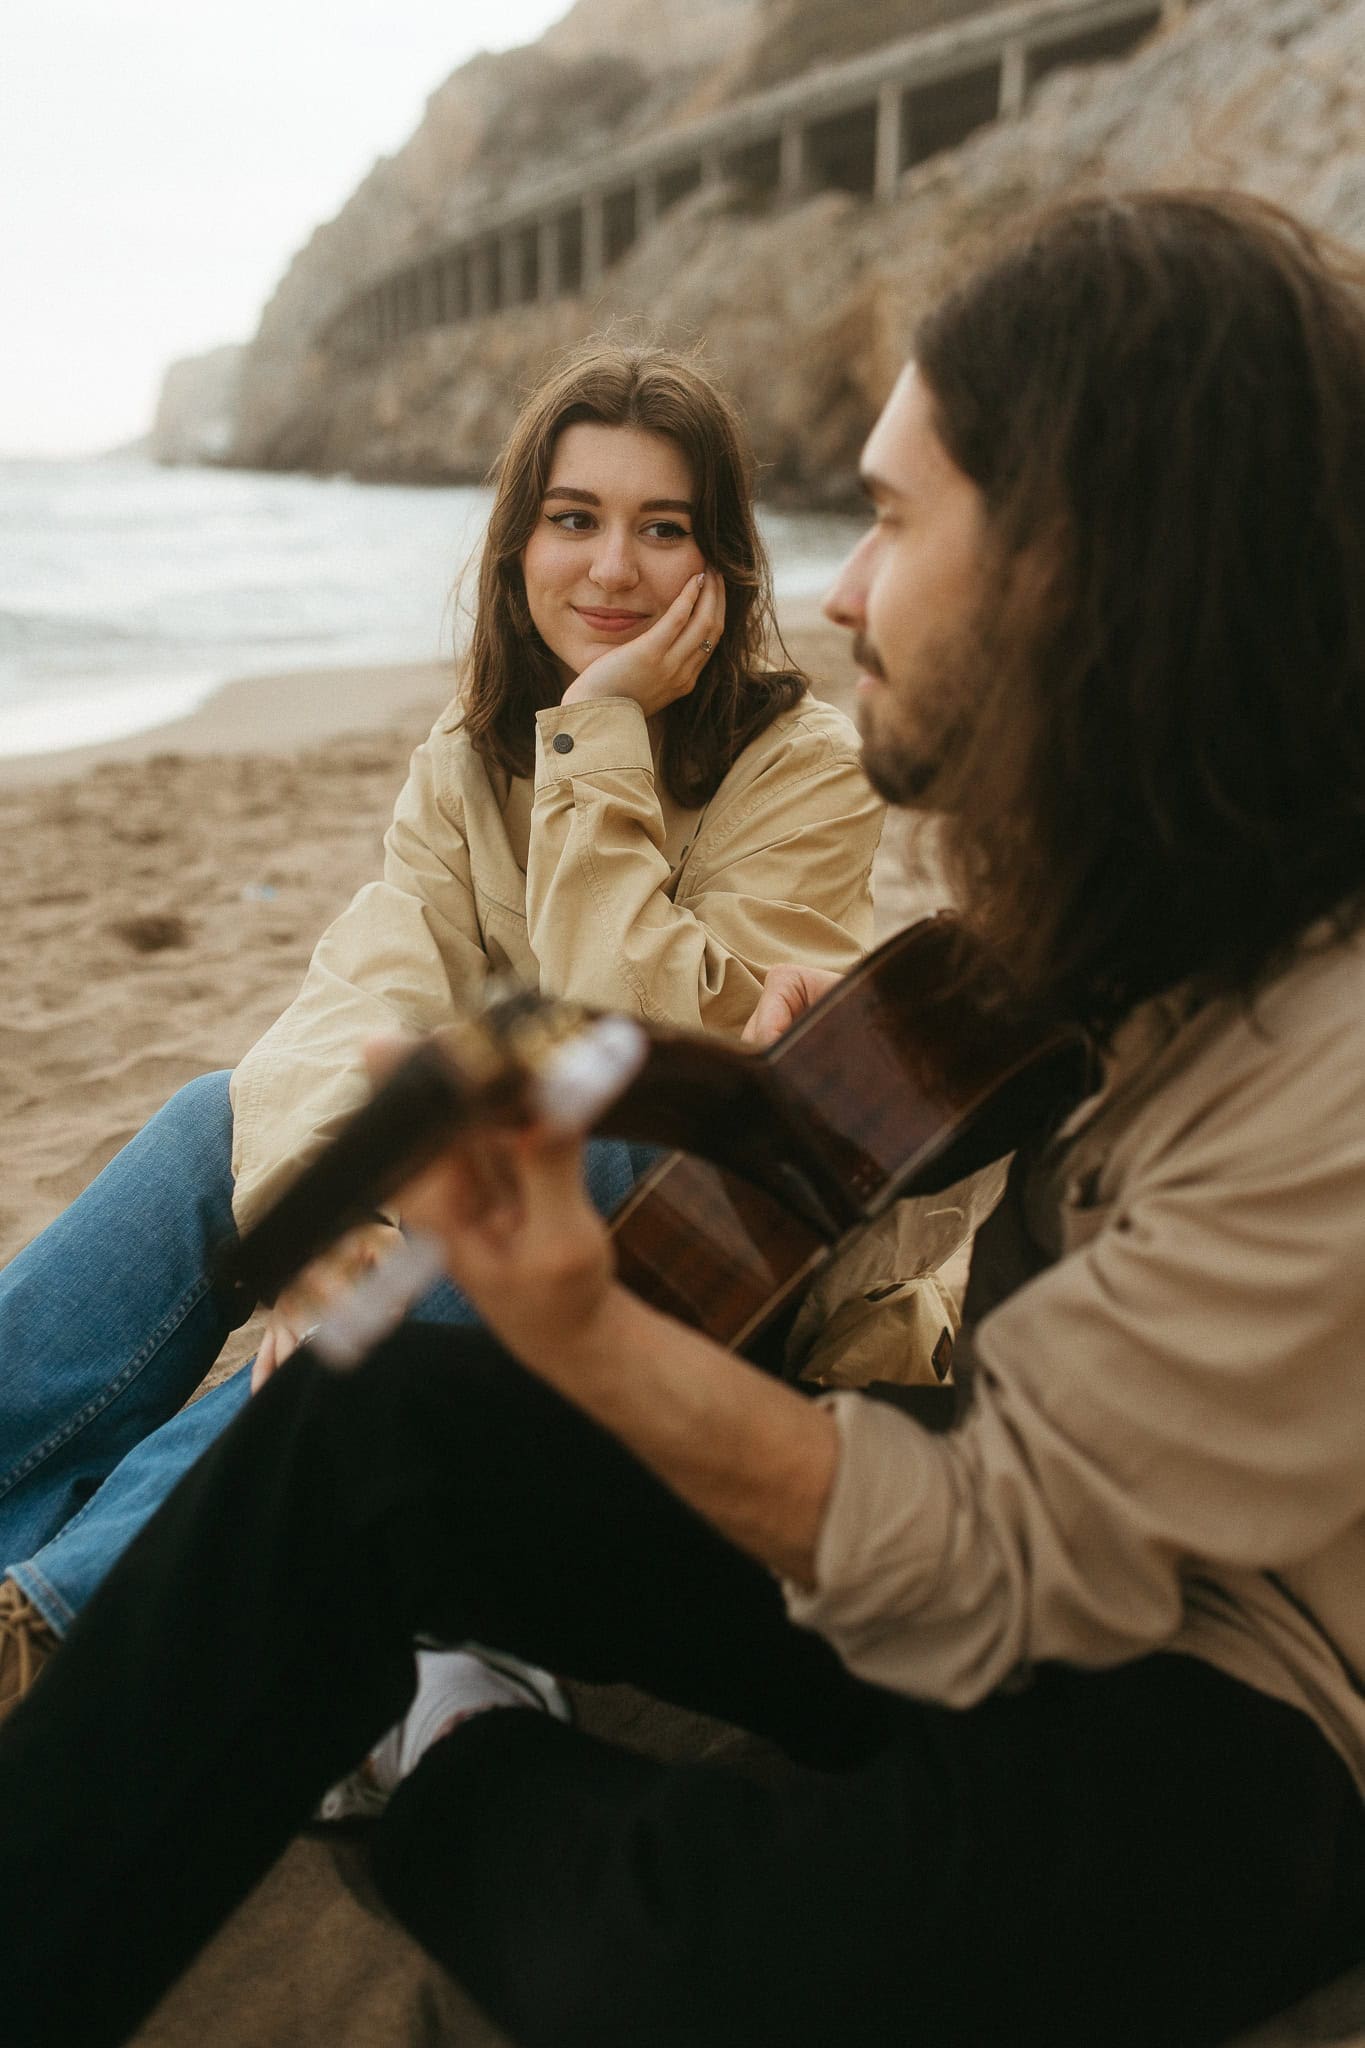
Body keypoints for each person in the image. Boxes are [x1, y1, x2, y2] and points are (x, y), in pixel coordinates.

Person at [4, 189, 1365, 2048]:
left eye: (884, 522)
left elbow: (981, 1553)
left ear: (1085, 567)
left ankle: (461, 1728)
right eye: (572, 518)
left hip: (1243, 1700)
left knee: (670, 1962)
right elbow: (408, 1007)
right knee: (349, 1367)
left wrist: (570, 1322)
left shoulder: (1335, 1061)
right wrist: (825, 1062)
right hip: (977, 1506)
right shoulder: (1133, 871)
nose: (843, 588)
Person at [0, 341, 890, 1717]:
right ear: (515, 543)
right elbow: (361, 991)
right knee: (220, 1117)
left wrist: (599, 736)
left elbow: (651, 1056)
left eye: (663, 529)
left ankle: (53, 1629)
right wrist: (323, 1240)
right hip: (498, 1211)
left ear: (723, 563)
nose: (611, 569)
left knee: (509, 1164)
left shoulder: (807, 772)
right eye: (573, 518)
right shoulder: (466, 762)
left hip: (697, 1267)